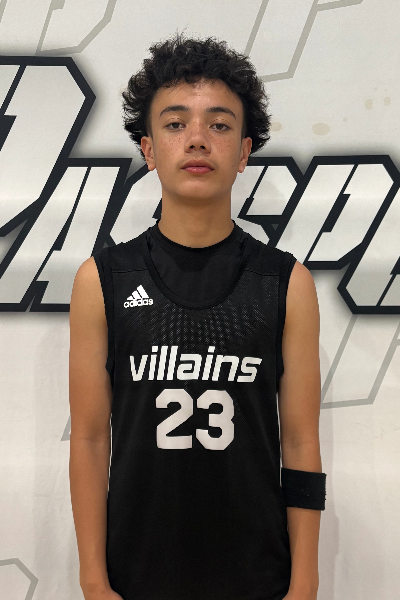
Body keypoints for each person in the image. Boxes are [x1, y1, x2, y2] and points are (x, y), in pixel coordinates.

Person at [69, 32, 326, 600]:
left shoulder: (286, 282)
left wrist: (305, 582)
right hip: (136, 576)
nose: (197, 139)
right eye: (175, 122)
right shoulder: (102, 280)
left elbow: (301, 442)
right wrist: (92, 578)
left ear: (244, 152)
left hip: (258, 576)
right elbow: (87, 438)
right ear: (148, 149)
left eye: (219, 124)